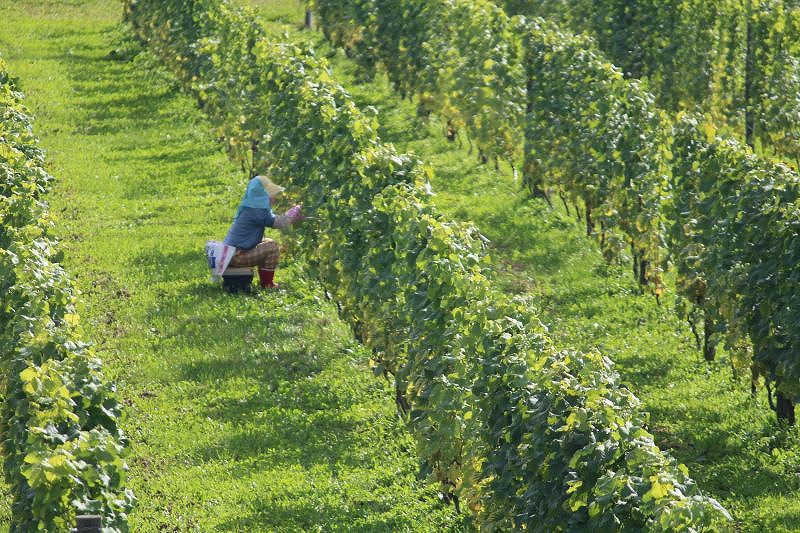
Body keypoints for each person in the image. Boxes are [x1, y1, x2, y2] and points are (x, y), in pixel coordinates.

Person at [223, 173, 302, 289]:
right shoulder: (257, 212)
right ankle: (267, 284)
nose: (274, 197)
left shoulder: (251, 208)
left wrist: (292, 219)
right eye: (270, 194)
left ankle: (265, 281)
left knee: (267, 241)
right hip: (237, 256)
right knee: (272, 247)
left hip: (231, 253)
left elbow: (276, 219)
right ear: (262, 195)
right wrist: (294, 212)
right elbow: (278, 223)